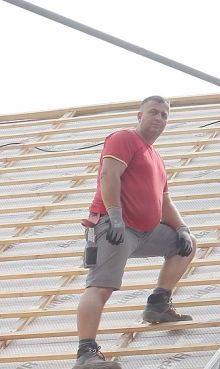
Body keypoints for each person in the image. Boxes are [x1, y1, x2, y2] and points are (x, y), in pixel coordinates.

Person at [74, 96, 196, 369]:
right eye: (153, 112)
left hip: (145, 232)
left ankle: (158, 304)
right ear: (139, 115)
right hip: (115, 228)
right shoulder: (124, 139)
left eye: (164, 115)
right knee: (101, 287)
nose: (159, 118)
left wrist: (182, 229)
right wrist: (115, 215)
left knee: (184, 244)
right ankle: (86, 354)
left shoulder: (156, 158)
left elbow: (164, 201)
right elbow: (109, 175)